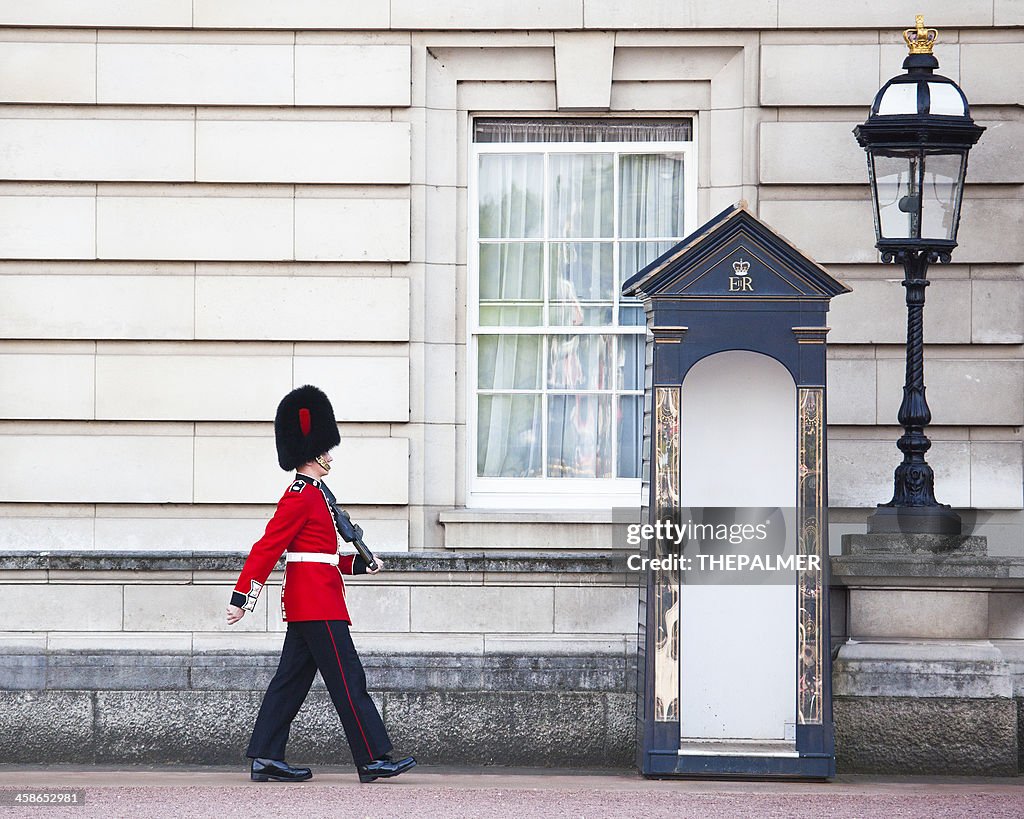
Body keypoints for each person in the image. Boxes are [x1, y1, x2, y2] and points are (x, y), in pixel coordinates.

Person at [225, 384, 416, 784]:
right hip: (317, 604)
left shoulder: (316, 495)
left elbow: (320, 556)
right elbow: (268, 546)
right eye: (325, 449)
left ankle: (265, 757)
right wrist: (244, 597)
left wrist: (361, 566)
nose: (330, 456)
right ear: (311, 453)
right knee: (349, 680)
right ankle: (373, 758)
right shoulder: (301, 496)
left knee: (290, 683)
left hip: (314, 599)